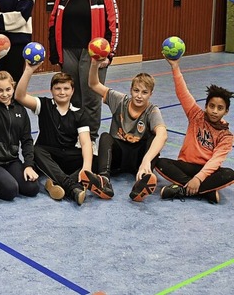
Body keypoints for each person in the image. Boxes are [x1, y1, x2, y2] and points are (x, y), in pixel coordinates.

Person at [48, 0, 119, 144]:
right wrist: (55, 53)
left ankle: (91, 139)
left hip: (93, 55)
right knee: (72, 97)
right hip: (69, 52)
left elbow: (114, 26)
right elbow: (53, 22)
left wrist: (109, 55)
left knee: (92, 98)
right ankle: (75, 135)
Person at [87, 58, 167, 202]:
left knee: (153, 139)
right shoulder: (119, 100)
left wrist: (146, 161)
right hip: (118, 157)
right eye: (136, 90)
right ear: (131, 90)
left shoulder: (152, 111)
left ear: (151, 94)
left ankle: (141, 183)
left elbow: (162, 135)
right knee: (105, 137)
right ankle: (104, 179)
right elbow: (93, 84)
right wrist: (94, 64)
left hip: (139, 160)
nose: (139, 95)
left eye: (144, 92)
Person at [155, 58, 234, 204]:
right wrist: (175, 67)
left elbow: (216, 160)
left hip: (207, 171)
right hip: (186, 166)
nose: (215, 111)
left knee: (230, 173)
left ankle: (183, 190)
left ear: (226, 111)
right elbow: (182, 93)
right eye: (212, 106)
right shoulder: (195, 115)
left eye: (220, 108)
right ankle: (205, 191)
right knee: (159, 161)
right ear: (206, 106)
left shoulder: (226, 136)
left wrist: (198, 178)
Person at [15, 61, 93, 205]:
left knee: (93, 158)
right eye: (57, 88)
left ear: (72, 91)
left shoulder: (80, 114)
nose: (62, 92)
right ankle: (72, 187)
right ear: (51, 90)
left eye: (66, 88)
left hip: (68, 154)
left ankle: (55, 183)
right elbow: (19, 96)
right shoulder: (43, 105)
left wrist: (87, 167)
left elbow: (85, 142)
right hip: (48, 155)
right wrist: (28, 70)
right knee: (36, 150)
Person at [0, 54, 39, 201]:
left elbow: (27, 140)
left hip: (11, 160)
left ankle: (6, 177)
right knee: (11, 190)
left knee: (32, 188)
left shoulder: (20, 110)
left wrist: (29, 165)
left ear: (13, 87)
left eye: (8, 89)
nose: (4, 94)